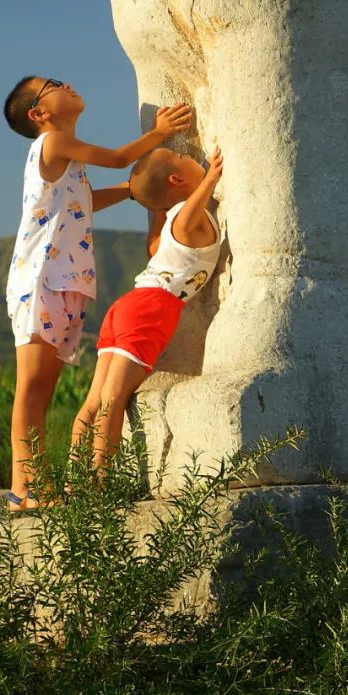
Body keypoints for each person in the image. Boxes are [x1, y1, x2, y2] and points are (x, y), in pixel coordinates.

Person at [1, 74, 193, 509]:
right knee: (30, 386)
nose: (66, 83)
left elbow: (84, 199)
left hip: (66, 281)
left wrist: (133, 191)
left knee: (44, 388)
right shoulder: (51, 143)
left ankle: (36, 485)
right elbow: (116, 157)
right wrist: (158, 135)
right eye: (52, 84)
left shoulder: (65, 159)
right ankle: (23, 488)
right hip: (42, 278)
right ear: (40, 114)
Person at [71, 142, 223, 470]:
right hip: (150, 309)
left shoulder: (165, 227)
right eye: (184, 159)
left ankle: (73, 482)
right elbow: (189, 209)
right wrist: (211, 177)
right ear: (176, 180)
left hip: (128, 306)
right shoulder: (183, 221)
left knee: (94, 402)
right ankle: (98, 484)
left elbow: (156, 240)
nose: (190, 158)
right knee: (113, 401)